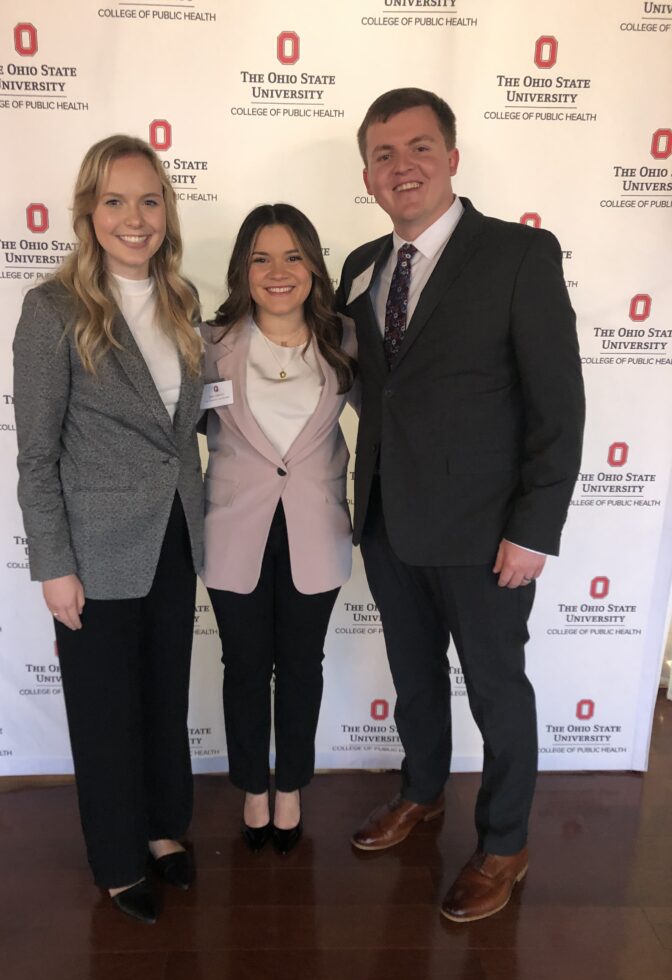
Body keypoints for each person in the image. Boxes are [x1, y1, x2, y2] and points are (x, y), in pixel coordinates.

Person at [336, 88, 585, 922]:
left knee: (496, 688)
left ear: (451, 155)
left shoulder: (520, 254)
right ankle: (423, 793)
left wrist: (533, 528)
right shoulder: (360, 265)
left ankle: (506, 843)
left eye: (418, 147)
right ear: (367, 173)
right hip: (385, 519)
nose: (400, 166)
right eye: (382, 154)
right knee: (413, 681)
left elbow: (558, 405)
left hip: (486, 533)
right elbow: (379, 392)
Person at [13, 135, 204, 924]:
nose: (136, 218)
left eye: (150, 200)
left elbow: (187, 429)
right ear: (90, 212)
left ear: (167, 211)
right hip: (92, 551)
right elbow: (35, 454)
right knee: (104, 709)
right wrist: (54, 565)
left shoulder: (182, 303)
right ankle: (118, 857)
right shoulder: (53, 310)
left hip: (176, 536)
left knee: (164, 696)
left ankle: (163, 830)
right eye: (117, 201)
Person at [201, 204, 357, 854]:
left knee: (301, 666)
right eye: (261, 258)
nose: (278, 271)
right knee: (242, 667)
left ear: (314, 266)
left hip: (316, 532)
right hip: (233, 531)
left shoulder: (347, 340)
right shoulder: (210, 343)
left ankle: (289, 785)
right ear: (243, 269)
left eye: (293, 255)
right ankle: (251, 787)